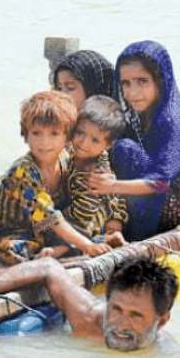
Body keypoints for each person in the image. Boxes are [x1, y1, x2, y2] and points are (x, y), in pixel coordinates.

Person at [88, 41, 180, 241]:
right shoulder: (142, 112)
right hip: (158, 189)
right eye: (126, 83)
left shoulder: (174, 118)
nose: (132, 92)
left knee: (125, 150)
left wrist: (112, 186)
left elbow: (160, 182)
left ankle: (135, 237)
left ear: (161, 80)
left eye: (142, 81)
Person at [0, 91, 112, 264]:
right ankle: (68, 247)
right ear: (26, 135)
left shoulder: (66, 156)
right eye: (36, 133)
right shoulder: (23, 171)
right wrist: (87, 245)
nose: (44, 142)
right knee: (10, 249)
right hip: (22, 232)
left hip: (54, 228)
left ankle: (63, 247)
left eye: (54, 134)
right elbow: (49, 218)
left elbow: (101, 155)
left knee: (97, 207)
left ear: (67, 137)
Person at [0, 257, 178, 351]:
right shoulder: (88, 317)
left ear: (161, 322)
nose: (121, 325)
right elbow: (48, 267)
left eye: (136, 315)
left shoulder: (166, 354)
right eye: (116, 309)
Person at [64, 95, 128, 247]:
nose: (83, 143)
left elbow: (82, 214)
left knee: (70, 235)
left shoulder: (94, 176)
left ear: (108, 145)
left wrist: (58, 214)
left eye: (95, 140)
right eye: (80, 133)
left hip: (96, 214)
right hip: (100, 205)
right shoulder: (75, 150)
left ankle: (106, 239)